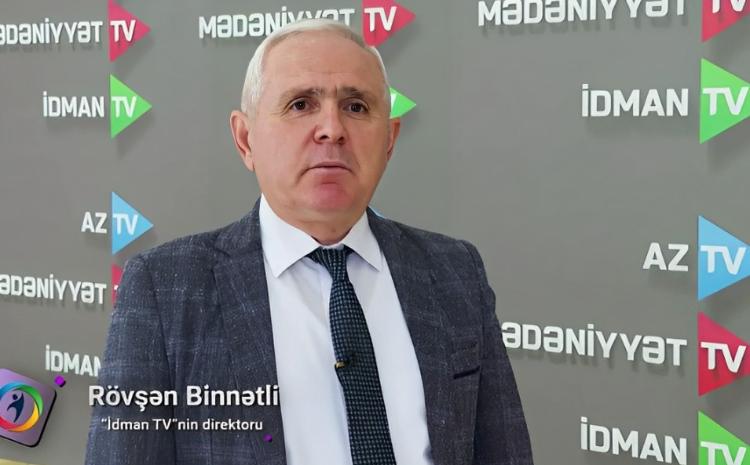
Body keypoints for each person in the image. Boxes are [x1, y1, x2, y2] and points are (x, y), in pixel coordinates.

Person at [85, 19, 533, 465]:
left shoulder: (455, 271)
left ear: (390, 139)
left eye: (356, 106)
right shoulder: (164, 289)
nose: (332, 129)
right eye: (300, 104)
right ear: (245, 139)